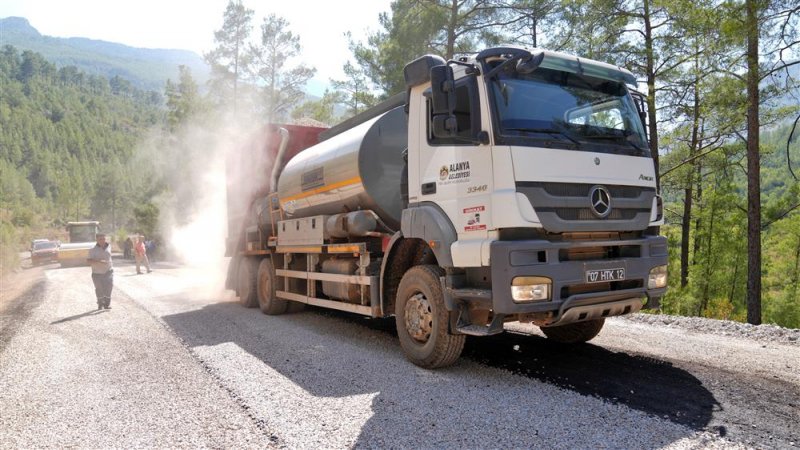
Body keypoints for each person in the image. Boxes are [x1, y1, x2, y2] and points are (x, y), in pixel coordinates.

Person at [86, 233, 113, 309]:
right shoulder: (92, 249)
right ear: (97, 240)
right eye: (100, 239)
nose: (103, 241)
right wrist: (99, 261)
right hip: (97, 273)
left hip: (108, 271)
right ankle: (100, 303)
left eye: (104, 239)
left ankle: (107, 304)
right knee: (99, 288)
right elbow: (88, 261)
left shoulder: (109, 246)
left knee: (109, 286)